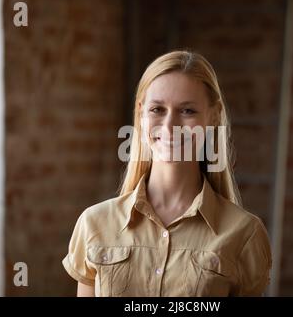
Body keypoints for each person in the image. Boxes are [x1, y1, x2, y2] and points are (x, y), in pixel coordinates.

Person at [62, 50, 272, 297]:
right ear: (141, 114)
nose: (170, 126)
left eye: (187, 111)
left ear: (214, 117)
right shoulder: (94, 224)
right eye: (157, 110)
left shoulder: (244, 233)